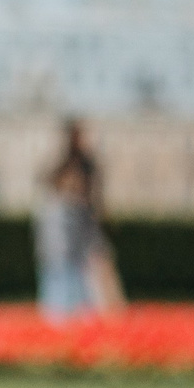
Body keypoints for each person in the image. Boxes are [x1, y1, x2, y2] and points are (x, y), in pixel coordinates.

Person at [34, 118, 120, 318]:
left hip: (85, 223)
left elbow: (95, 195)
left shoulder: (85, 164)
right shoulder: (66, 164)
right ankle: (69, 308)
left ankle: (97, 308)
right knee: (67, 269)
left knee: (93, 266)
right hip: (70, 227)